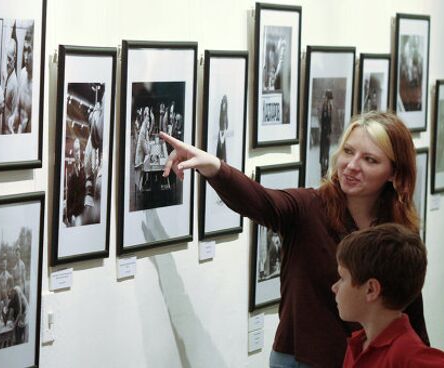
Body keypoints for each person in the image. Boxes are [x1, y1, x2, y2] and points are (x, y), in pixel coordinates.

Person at [161, 111, 428, 368]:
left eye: (370, 159)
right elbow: (261, 200)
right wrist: (214, 167)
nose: (352, 165)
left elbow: (408, 306)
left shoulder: (399, 231)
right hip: (301, 361)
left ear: (394, 172)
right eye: (348, 151)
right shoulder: (308, 208)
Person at [333, 224, 444, 368]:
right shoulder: (358, 344)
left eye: (342, 278)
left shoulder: (408, 355)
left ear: (371, 289)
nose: (334, 287)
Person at [16, 23, 33, 134]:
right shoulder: (22, 74)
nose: (25, 57)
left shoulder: (38, 86)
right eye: (24, 50)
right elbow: (17, 110)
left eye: (29, 51)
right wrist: (13, 118)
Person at [66, 138, 86, 225]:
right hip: (75, 214)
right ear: (73, 153)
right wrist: (70, 216)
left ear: (81, 151)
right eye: (75, 151)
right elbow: (69, 198)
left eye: (78, 150)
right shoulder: (72, 175)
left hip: (85, 213)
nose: (77, 153)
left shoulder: (86, 170)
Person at [3, 37, 19, 134]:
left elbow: (14, 115)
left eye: (9, 59)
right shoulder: (7, 75)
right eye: (6, 58)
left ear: (15, 59)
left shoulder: (14, 84)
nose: (7, 62)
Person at [320, 89, 334, 178]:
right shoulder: (327, 106)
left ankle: (325, 164)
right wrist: (328, 132)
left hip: (326, 131)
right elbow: (326, 120)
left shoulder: (328, 106)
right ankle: (324, 166)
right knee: (325, 149)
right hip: (325, 132)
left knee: (326, 149)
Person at [216, 95, 229, 162]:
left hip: (223, 132)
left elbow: (226, 123)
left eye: (225, 103)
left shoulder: (225, 114)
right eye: (223, 103)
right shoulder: (221, 113)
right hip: (221, 131)